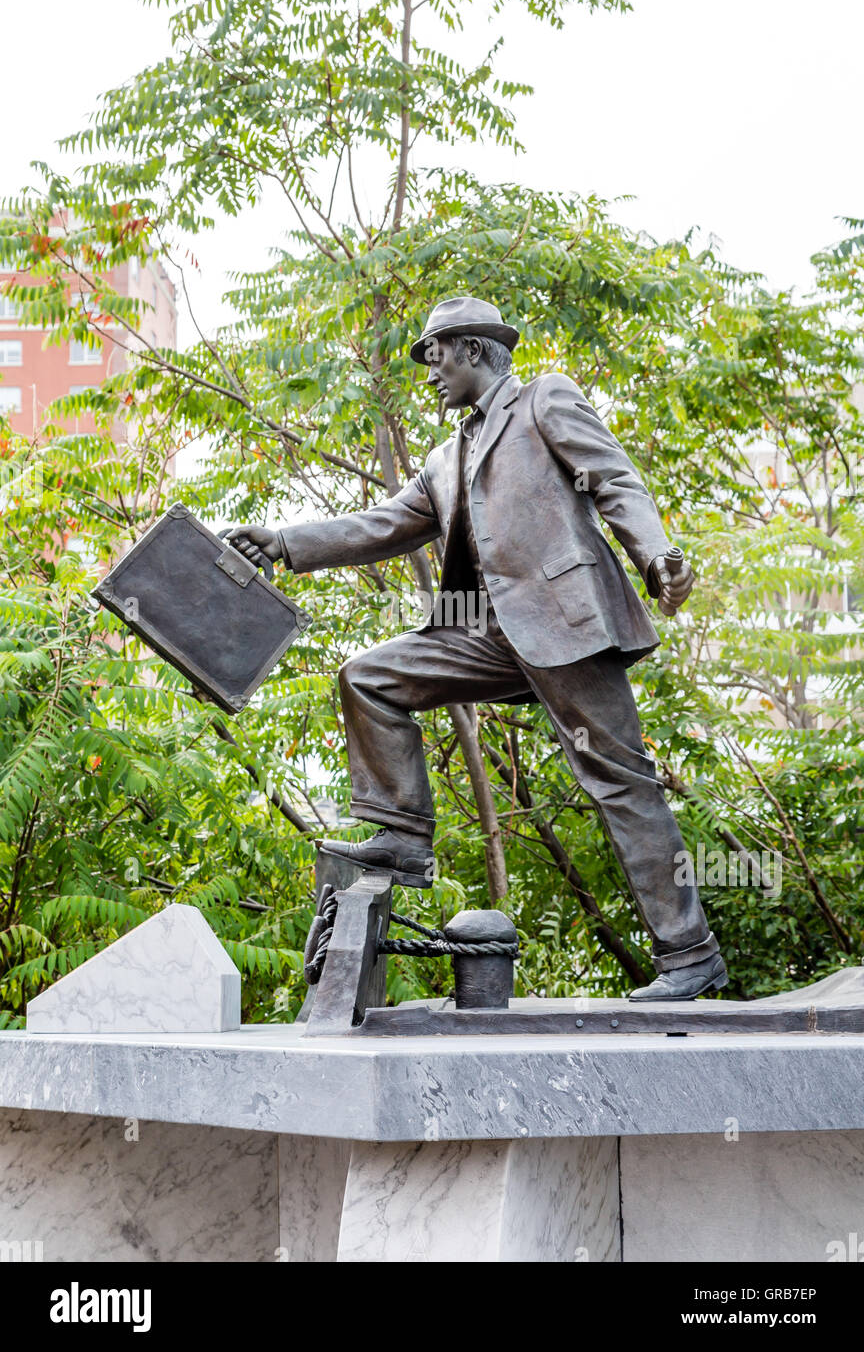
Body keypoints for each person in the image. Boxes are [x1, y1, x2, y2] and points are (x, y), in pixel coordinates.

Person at [227, 296, 726, 1000]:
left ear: (469, 349)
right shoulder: (444, 457)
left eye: (434, 357)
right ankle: (402, 836)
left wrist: (658, 557)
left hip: (567, 620)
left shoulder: (543, 400)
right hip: (487, 634)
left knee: (620, 781)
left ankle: (689, 955)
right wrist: (282, 542)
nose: (428, 375)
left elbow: (614, 479)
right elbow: (384, 525)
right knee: (369, 678)